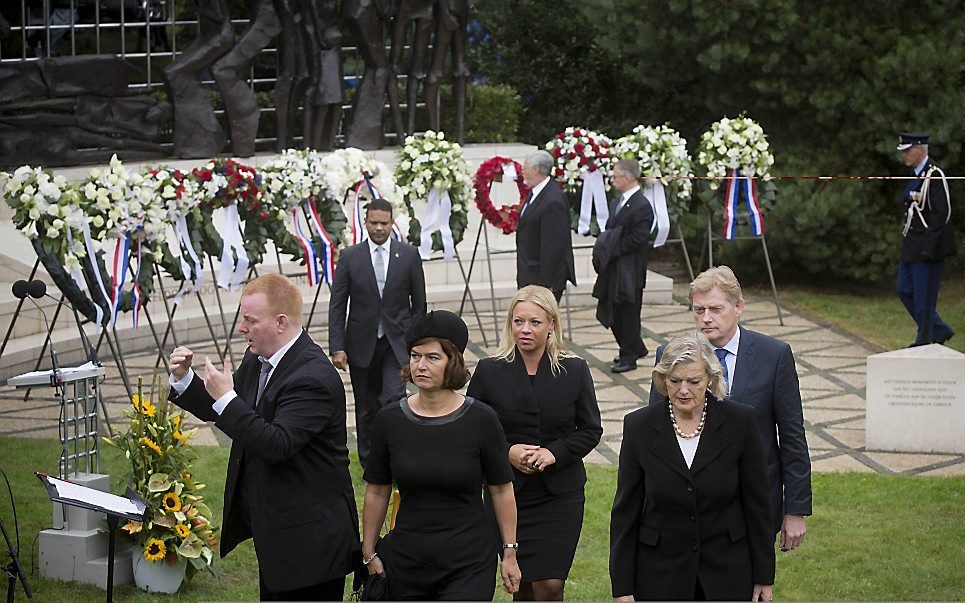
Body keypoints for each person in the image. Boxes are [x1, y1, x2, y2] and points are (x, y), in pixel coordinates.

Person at [167, 273, 358, 601]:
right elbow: (232, 415)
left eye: (250, 320)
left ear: (281, 322)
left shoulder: (313, 377)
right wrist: (186, 380)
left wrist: (227, 397)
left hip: (311, 542)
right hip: (280, 533)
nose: (242, 328)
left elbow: (275, 444)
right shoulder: (259, 360)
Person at [361, 310, 522, 599]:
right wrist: (369, 549)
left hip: (468, 562)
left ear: (454, 362)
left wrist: (509, 552)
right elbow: (377, 490)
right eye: (415, 355)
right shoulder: (389, 420)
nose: (420, 365)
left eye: (432, 357)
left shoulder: (481, 420)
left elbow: (501, 490)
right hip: (406, 561)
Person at [648, 266, 812, 551]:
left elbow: (792, 436)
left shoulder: (774, 356)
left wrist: (795, 509)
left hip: (754, 500)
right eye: (698, 310)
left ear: (738, 307)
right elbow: (656, 431)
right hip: (688, 505)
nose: (706, 318)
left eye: (715, 308)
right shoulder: (670, 354)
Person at [610, 331, 775, 601]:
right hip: (660, 573)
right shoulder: (638, 426)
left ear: (710, 379)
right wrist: (622, 587)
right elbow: (625, 512)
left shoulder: (740, 423)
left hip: (727, 571)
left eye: (694, 381)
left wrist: (764, 577)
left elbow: (758, 506)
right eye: (675, 381)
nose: (683, 390)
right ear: (663, 380)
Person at [467, 285, 602, 601]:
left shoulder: (574, 369)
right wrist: (508, 452)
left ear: (552, 324)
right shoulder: (489, 370)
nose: (525, 329)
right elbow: (473, 430)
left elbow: (591, 429)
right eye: (518, 321)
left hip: (560, 496)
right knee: (523, 585)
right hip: (508, 494)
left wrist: (554, 453)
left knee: (550, 585)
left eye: (535, 322)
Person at [329, 197, 426, 467]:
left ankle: (396, 454)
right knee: (366, 405)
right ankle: (369, 461)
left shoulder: (408, 255)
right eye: (374, 223)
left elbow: (419, 304)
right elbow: (337, 305)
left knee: (393, 398)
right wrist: (337, 346)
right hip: (361, 344)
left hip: (397, 344)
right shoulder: (350, 257)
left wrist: (415, 340)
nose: (379, 228)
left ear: (392, 223)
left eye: (384, 223)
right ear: (365, 223)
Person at [592, 158, 655, 374]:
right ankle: (633, 347)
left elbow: (639, 238)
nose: (612, 179)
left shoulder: (642, 206)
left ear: (628, 177)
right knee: (613, 312)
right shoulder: (616, 202)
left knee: (628, 314)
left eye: (616, 175)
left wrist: (612, 248)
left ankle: (629, 355)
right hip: (614, 269)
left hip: (630, 272)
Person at [895, 132, 957, 346]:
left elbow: (942, 213)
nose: (904, 155)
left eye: (907, 151)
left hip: (928, 248)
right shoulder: (916, 175)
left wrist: (929, 247)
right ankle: (939, 329)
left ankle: (925, 340)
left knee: (924, 300)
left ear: (919, 149)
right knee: (904, 290)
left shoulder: (934, 174)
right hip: (911, 246)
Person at [516, 150, 577, 302]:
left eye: (525, 169)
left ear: (536, 169)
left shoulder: (552, 199)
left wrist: (546, 284)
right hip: (529, 274)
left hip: (542, 280)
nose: (523, 173)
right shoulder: (536, 192)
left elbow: (554, 246)